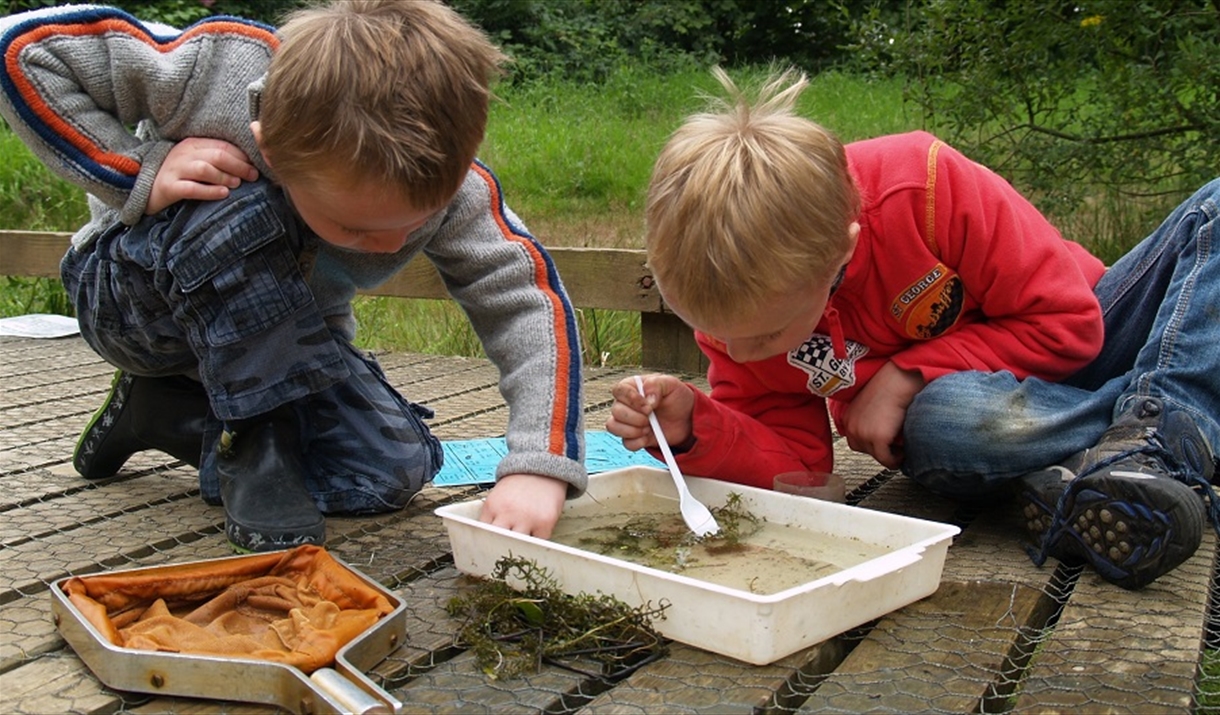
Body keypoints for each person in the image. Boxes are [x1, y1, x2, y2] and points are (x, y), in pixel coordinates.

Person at [0, 1, 585, 552]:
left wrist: (539, 462)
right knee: (233, 203)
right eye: (354, 228)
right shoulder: (216, 72)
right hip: (131, 303)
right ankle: (258, 439)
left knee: (389, 470)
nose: (387, 246)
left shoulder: (460, 190)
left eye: (411, 226)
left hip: (289, 344)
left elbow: (527, 302)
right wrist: (136, 172)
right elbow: (21, 46)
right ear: (270, 148)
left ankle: (163, 414)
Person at [606, 67, 1220, 590]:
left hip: (1101, 335)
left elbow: (1068, 325)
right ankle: (1154, 441)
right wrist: (697, 427)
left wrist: (904, 375)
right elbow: (800, 473)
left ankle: (1155, 437)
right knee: (947, 427)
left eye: (766, 338)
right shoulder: (744, 311)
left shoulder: (923, 185)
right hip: (989, 421)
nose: (737, 354)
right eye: (706, 332)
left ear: (839, 254)